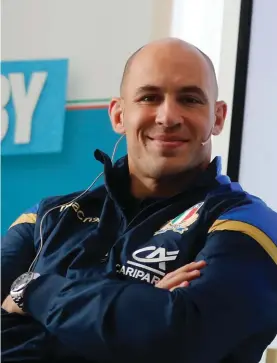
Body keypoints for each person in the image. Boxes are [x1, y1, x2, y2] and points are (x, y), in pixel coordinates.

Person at [1, 37, 277, 363]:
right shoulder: (46, 218)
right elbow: (152, 336)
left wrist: (34, 291)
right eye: (149, 97)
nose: (168, 116)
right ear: (119, 115)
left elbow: (181, 340)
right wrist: (139, 312)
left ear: (217, 117)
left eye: (189, 99)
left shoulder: (249, 223)